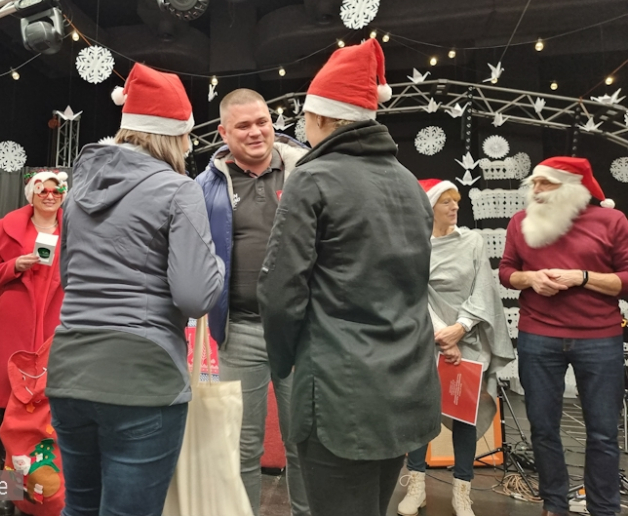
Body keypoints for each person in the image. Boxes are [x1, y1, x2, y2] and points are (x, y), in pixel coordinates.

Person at [257, 38, 441, 516]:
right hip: (404, 386)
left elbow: (280, 292)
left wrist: (284, 361)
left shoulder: (313, 179)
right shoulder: (408, 182)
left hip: (339, 392)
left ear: (320, 118)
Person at [45, 63, 225, 516]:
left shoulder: (76, 193)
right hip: (141, 377)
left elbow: (68, 279)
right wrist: (216, 264)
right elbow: (194, 296)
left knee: (80, 508)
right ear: (176, 136)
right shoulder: (179, 189)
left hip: (69, 368)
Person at [195, 88, 310, 516]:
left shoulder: (306, 172)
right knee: (242, 447)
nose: (257, 131)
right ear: (224, 132)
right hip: (239, 330)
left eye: (262, 121)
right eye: (243, 125)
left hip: (302, 331)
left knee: (304, 442)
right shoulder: (205, 186)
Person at [499, 157, 628, 516]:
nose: (535, 191)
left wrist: (583, 277)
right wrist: (531, 279)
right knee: (541, 427)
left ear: (572, 189)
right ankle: (555, 504)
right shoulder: (521, 223)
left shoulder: (611, 221)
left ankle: (604, 508)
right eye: (534, 183)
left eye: (545, 184)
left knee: (602, 431)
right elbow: (507, 271)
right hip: (538, 336)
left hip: (599, 339)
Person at [398, 179, 515, 516]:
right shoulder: (414, 245)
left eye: (457, 201)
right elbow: (413, 292)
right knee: (421, 411)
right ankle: (416, 484)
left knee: (467, 414)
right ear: (429, 207)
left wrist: (460, 328)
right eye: (446, 201)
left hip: (470, 340)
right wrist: (441, 334)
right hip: (426, 339)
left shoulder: (473, 241)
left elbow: (483, 289)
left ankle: (462, 490)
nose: (454, 207)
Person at [0, 169, 68, 516]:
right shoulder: (6, 228)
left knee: (55, 411)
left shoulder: (78, 228)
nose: (50, 196)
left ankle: (48, 489)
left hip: (57, 324)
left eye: (56, 190)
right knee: (8, 412)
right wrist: (14, 265)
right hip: (13, 325)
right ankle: (8, 489)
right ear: (31, 193)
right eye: (43, 190)